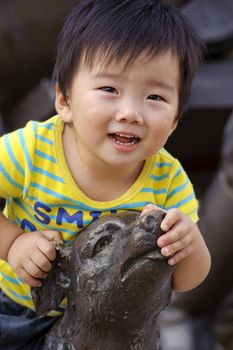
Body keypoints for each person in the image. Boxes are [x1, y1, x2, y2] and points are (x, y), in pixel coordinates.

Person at [0, 0, 211, 348]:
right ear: (65, 100)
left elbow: (187, 280)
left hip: (121, 327)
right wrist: (13, 243)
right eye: (109, 90)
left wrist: (188, 244)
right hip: (18, 309)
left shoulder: (167, 179)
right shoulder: (31, 150)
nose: (130, 112)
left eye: (155, 96)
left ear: (174, 121)